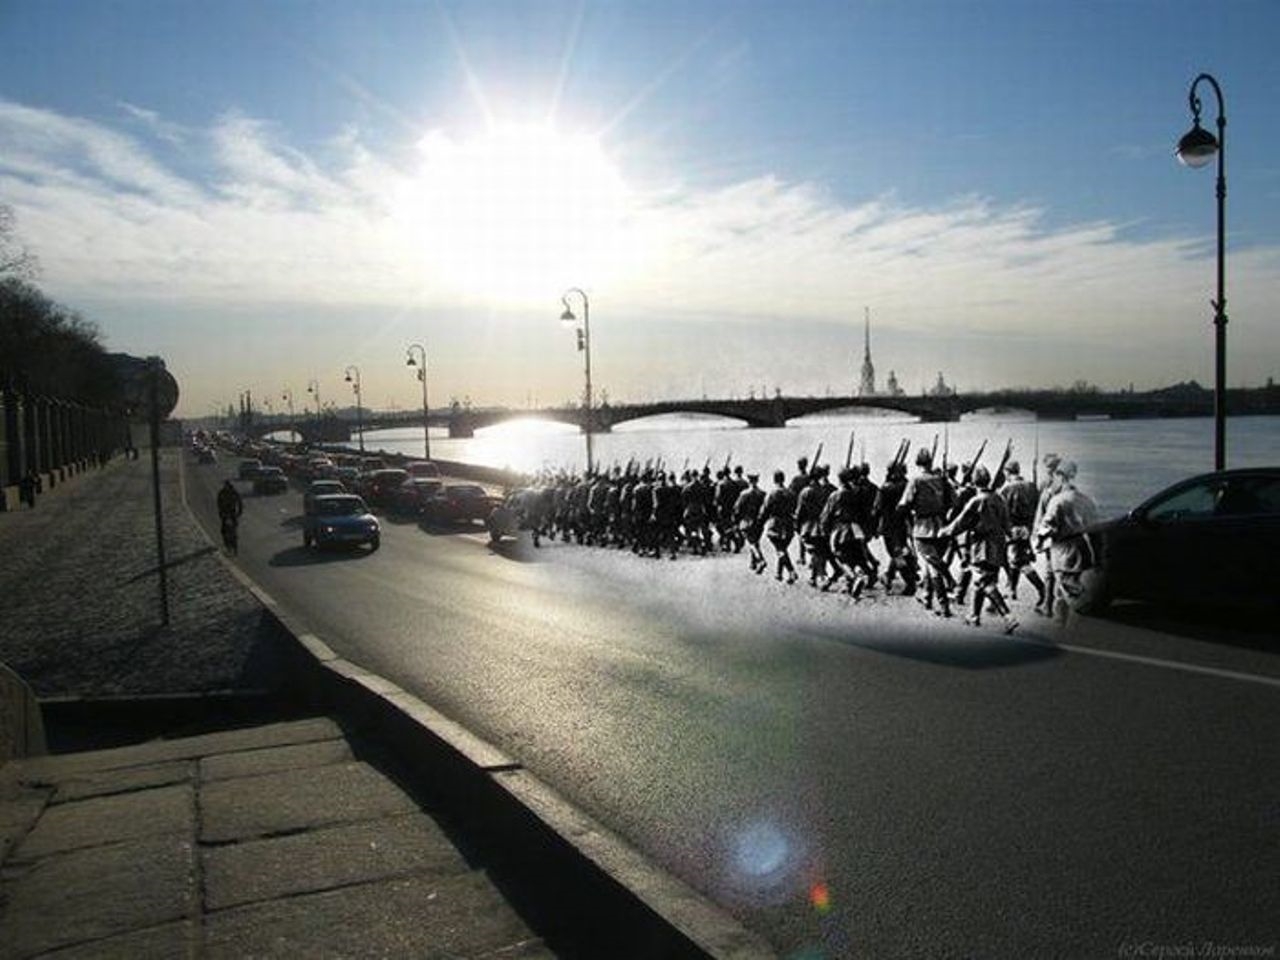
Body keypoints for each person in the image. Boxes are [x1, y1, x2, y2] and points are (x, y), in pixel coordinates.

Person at [942, 465, 1018, 633]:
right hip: (998, 545)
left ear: (974, 482)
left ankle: (1008, 616)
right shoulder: (999, 499)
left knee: (984, 582)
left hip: (982, 546)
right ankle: (973, 616)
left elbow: (960, 523)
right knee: (982, 580)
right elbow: (1007, 525)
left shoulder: (977, 501)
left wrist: (944, 532)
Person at [1036, 460, 1100, 623]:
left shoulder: (1057, 500)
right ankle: (1063, 619)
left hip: (1062, 551)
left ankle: (1066, 621)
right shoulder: (1087, 500)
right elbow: (1095, 532)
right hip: (1082, 550)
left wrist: (1039, 543)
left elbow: (1045, 527)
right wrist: (1097, 556)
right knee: (1064, 589)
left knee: (1068, 591)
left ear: (1061, 476)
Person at [898, 448, 954, 617]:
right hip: (941, 527)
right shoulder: (942, 479)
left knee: (933, 566)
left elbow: (904, 504)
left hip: (923, 527)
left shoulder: (915, 480)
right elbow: (954, 501)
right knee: (930, 564)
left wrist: (905, 514)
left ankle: (944, 604)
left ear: (917, 462)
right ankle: (927, 597)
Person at [998, 461, 1048, 610]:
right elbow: (1037, 506)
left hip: (1013, 529)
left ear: (1007, 472)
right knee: (1016, 559)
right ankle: (1012, 590)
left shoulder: (1006, 488)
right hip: (1027, 527)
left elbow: (1001, 511)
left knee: (1019, 561)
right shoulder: (1031, 486)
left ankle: (1042, 589)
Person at [760, 469, 799, 583]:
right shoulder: (791, 493)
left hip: (775, 525)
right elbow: (795, 508)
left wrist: (760, 522)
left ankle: (791, 571)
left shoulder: (771, 494)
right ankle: (779, 573)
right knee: (783, 549)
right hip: (788, 524)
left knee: (780, 549)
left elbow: (765, 510)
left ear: (774, 480)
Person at [733, 473, 767, 574]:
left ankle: (761, 560)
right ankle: (753, 562)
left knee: (751, 542)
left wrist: (736, 520)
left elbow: (737, 509)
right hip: (759, 522)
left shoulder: (744, 494)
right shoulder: (763, 494)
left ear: (749, 481)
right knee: (755, 540)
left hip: (747, 521)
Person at [217, 479, 244, 554]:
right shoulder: (222, 493)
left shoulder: (233, 492)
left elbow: (239, 502)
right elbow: (219, 503)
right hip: (225, 513)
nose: (226, 487)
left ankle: (234, 547)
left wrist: (239, 512)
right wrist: (221, 512)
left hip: (232, 512)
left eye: (227, 486)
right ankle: (227, 545)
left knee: (233, 531)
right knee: (224, 530)